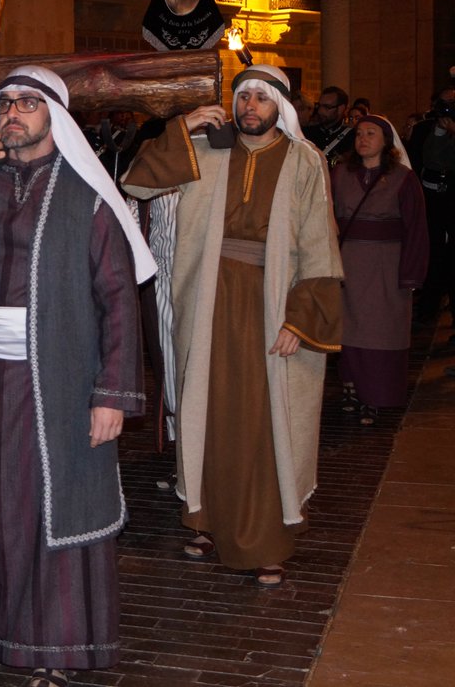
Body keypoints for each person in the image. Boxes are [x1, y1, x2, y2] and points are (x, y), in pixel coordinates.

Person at [0, 66, 156, 687]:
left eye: (27, 103)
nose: (12, 113)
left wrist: (113, 395)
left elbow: (120, 301)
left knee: (54, 513)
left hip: (63, 381)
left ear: (56, 117)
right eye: (4, 104)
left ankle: (58, 649)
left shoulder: (89, 198)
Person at [123, 64, 344, 589]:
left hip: (271, 305)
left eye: (261, 99)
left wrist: (300, 318)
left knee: (266, 421)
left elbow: (321, 244)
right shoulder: (208, 149)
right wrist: (185, 125)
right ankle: (206, 519)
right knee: (209, 410)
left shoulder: (304, 160)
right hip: (207, 302)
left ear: (280, 108)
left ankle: (267, 539)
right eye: (242, 96)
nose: (249, 106)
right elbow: (137, 180)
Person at [332, 114, 428, 425]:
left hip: (386, 267)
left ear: (386, 141)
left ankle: (375, 395)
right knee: (346, 328)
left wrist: (411, 273)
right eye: (359, 133)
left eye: (371, 133)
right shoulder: (339, 174)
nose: (363, 139)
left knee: (380, 331)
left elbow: (416, 228)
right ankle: (349, 387)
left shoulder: (403, 179)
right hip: (347, 262)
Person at [412, 88, 455, 325]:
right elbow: (426, 160)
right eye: (444, 104)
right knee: (432, 253)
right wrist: (439, 131)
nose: (448, 109)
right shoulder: (424, 130)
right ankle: (426, 310)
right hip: (430, 199)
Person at [304, 86, 354, 168]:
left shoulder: (351, 136)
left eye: (327, 107)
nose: (320, 111)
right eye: (319, 106)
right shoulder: (306, 133)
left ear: (341, 109)